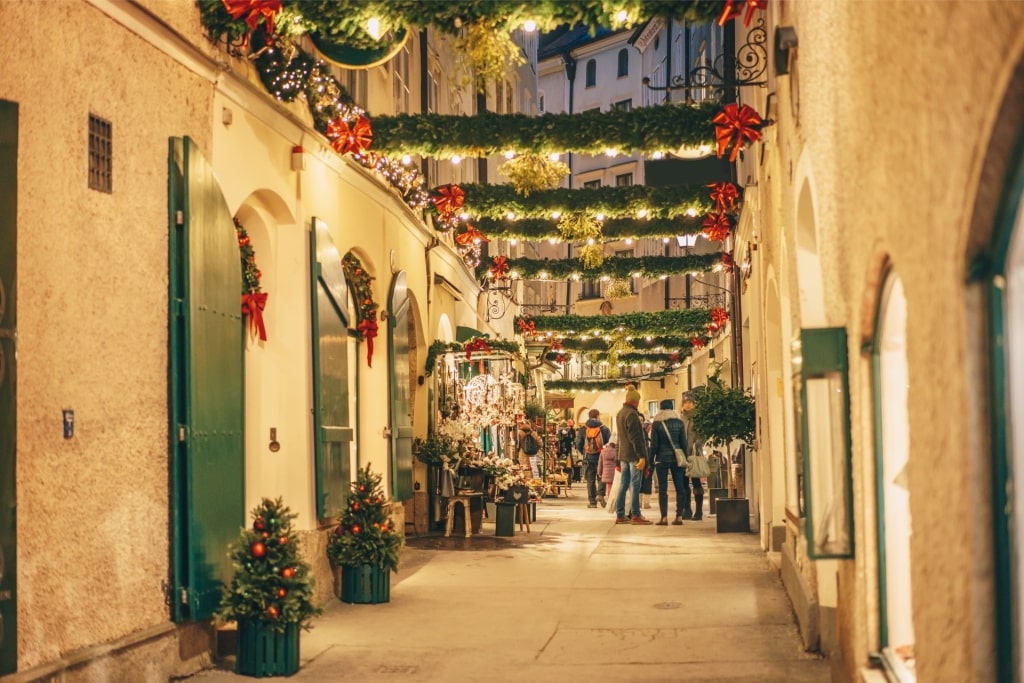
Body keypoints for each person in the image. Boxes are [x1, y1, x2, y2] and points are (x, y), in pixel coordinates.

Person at [614, 386, 653, 524]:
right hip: (634, 455)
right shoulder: (632, 415)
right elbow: (636, 438)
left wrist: (618, 459)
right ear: (636, 401)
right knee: (635, 485)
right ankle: (635, 514)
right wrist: (642, 456)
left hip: (623, 455)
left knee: (623, 485)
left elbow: (620, 437)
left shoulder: (620, 413)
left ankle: (620, 514)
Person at [649, 398, 690, 525]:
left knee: (663, 489)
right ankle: (679, 516)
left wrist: (651, 459)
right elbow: (684, 443)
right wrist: (686, 458)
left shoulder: (657, 423)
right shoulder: (679, 423)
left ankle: (664, 517)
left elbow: (654, 445)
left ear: (661, 408)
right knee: (680, 488)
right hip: (677, 458)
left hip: (661, 459)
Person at [576, 408, 611, 508]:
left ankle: (592, 502)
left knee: (590, 479)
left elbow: (578, 444)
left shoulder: (583, 429)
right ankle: (600, 494)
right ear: (598, 416)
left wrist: (584, 452)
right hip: (601, 457)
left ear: (589, 416)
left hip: (588, 458)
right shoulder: (604, 429)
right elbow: (609, 443)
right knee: (601, 477)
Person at [679, 391, 704, 520]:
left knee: (696, 483)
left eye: (690, 403)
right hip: (682, 456)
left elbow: (702, 434)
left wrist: (698, 444)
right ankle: (686, 509)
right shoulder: (680, 418)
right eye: (686, 402)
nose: (688, 405)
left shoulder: (698, 418)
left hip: (694, 455)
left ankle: (699, 511)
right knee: (683, 484)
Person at [597, 439, 618, 507]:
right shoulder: (616, 451)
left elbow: (600, 464)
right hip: (614, 473)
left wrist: (599, 473)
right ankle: (613, 502)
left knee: (609, 487)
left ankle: (609, 501)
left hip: (605, 473)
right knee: (614, 488)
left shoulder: (603, 451)